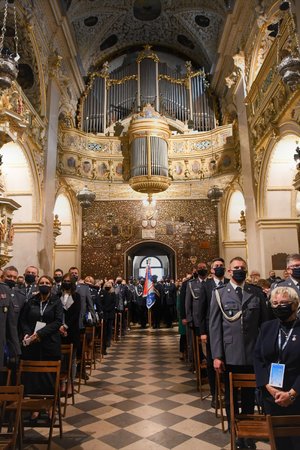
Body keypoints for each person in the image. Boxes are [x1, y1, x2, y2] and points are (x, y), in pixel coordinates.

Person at [209, 256, 268, 450]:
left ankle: (248, 435)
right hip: (230, 353)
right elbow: (215, 327)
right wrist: (217, 356)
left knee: (251, 395)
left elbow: (265, 325)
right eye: (235, 268)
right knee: (231, 397)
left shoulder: (256, 293)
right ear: (229, 271)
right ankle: (236, 430)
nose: (239, 270)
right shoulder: (219, 294)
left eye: (242, 267)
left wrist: (265, 353)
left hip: (252, 354)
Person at [254, 286, 300, 450]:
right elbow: (258, 359)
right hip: (272, 395)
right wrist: (269, 387)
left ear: (295, 304)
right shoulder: (267, 327)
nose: (279, 306)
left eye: (284, 303)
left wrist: (292, 394)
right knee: (278, 441)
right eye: (275, 303)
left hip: (296, 395)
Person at [19, 275, 63, 409]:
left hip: (50, 343)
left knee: (49, 376)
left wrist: (40, 334)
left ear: (51, 285)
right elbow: (23, 320)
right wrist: (27, 333)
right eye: (42, 282)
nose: (44, 284)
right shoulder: (31, 301)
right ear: (38, 285)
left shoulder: (56, 301)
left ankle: (51, 405)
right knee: (34, 376)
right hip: (33, 344)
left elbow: (58, 321)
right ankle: (36, 406)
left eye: (47, 283)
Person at [198, 258, 230, 407]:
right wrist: (203, 332)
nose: (219, 268)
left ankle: (230, 393)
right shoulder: (206, 286)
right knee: (212, 363)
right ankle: (215, 393)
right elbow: (201, 310)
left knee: (229, 362)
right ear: (211, 270)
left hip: (229, 330)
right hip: (212, 330)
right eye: (216, 266)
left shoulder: (230, 283)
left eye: (221, 266)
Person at [59, 273, 81, 387]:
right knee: (61, 359)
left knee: (72, 359)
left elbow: (75, 314)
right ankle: (61, 382)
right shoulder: (58, 295)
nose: (66, 283)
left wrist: (66, 326)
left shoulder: (76, 296)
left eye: (69, 281)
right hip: (59, 331)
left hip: (72, 330)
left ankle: (70, 384)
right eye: (65, 281)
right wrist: (60, 326)